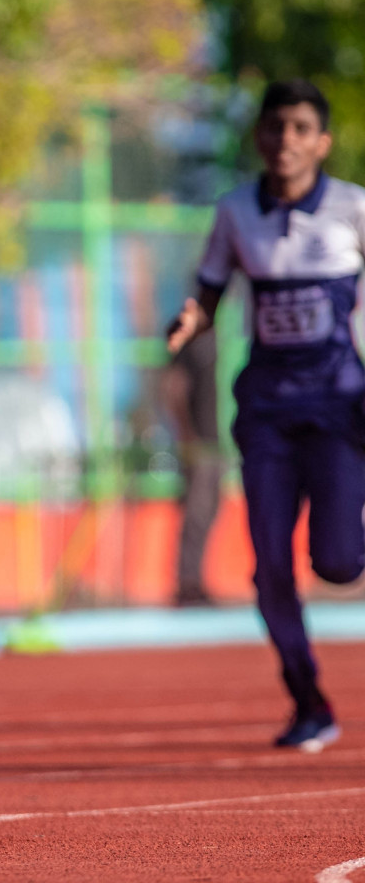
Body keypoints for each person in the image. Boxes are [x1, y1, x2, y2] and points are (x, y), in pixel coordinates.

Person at [167, 79, 365, 752]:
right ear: (259, 137)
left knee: (338, 564)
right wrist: (190, 319)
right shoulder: (233, 212)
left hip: (340, 406)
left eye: (302, 128)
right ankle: (308, 701)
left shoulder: (352, 208)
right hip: (267, 413)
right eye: (276, 127)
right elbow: (210, 291)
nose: (287, 141)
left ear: (323, 141)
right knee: (271, 565)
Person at [159, 326, 220, 607]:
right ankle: (188, 584)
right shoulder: (191, 342)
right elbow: (175, 388)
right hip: (199, 444)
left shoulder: (216, 339)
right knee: (196, 514)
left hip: (213, 442)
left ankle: (195, 581)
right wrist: (187, 437)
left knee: (207, 513)